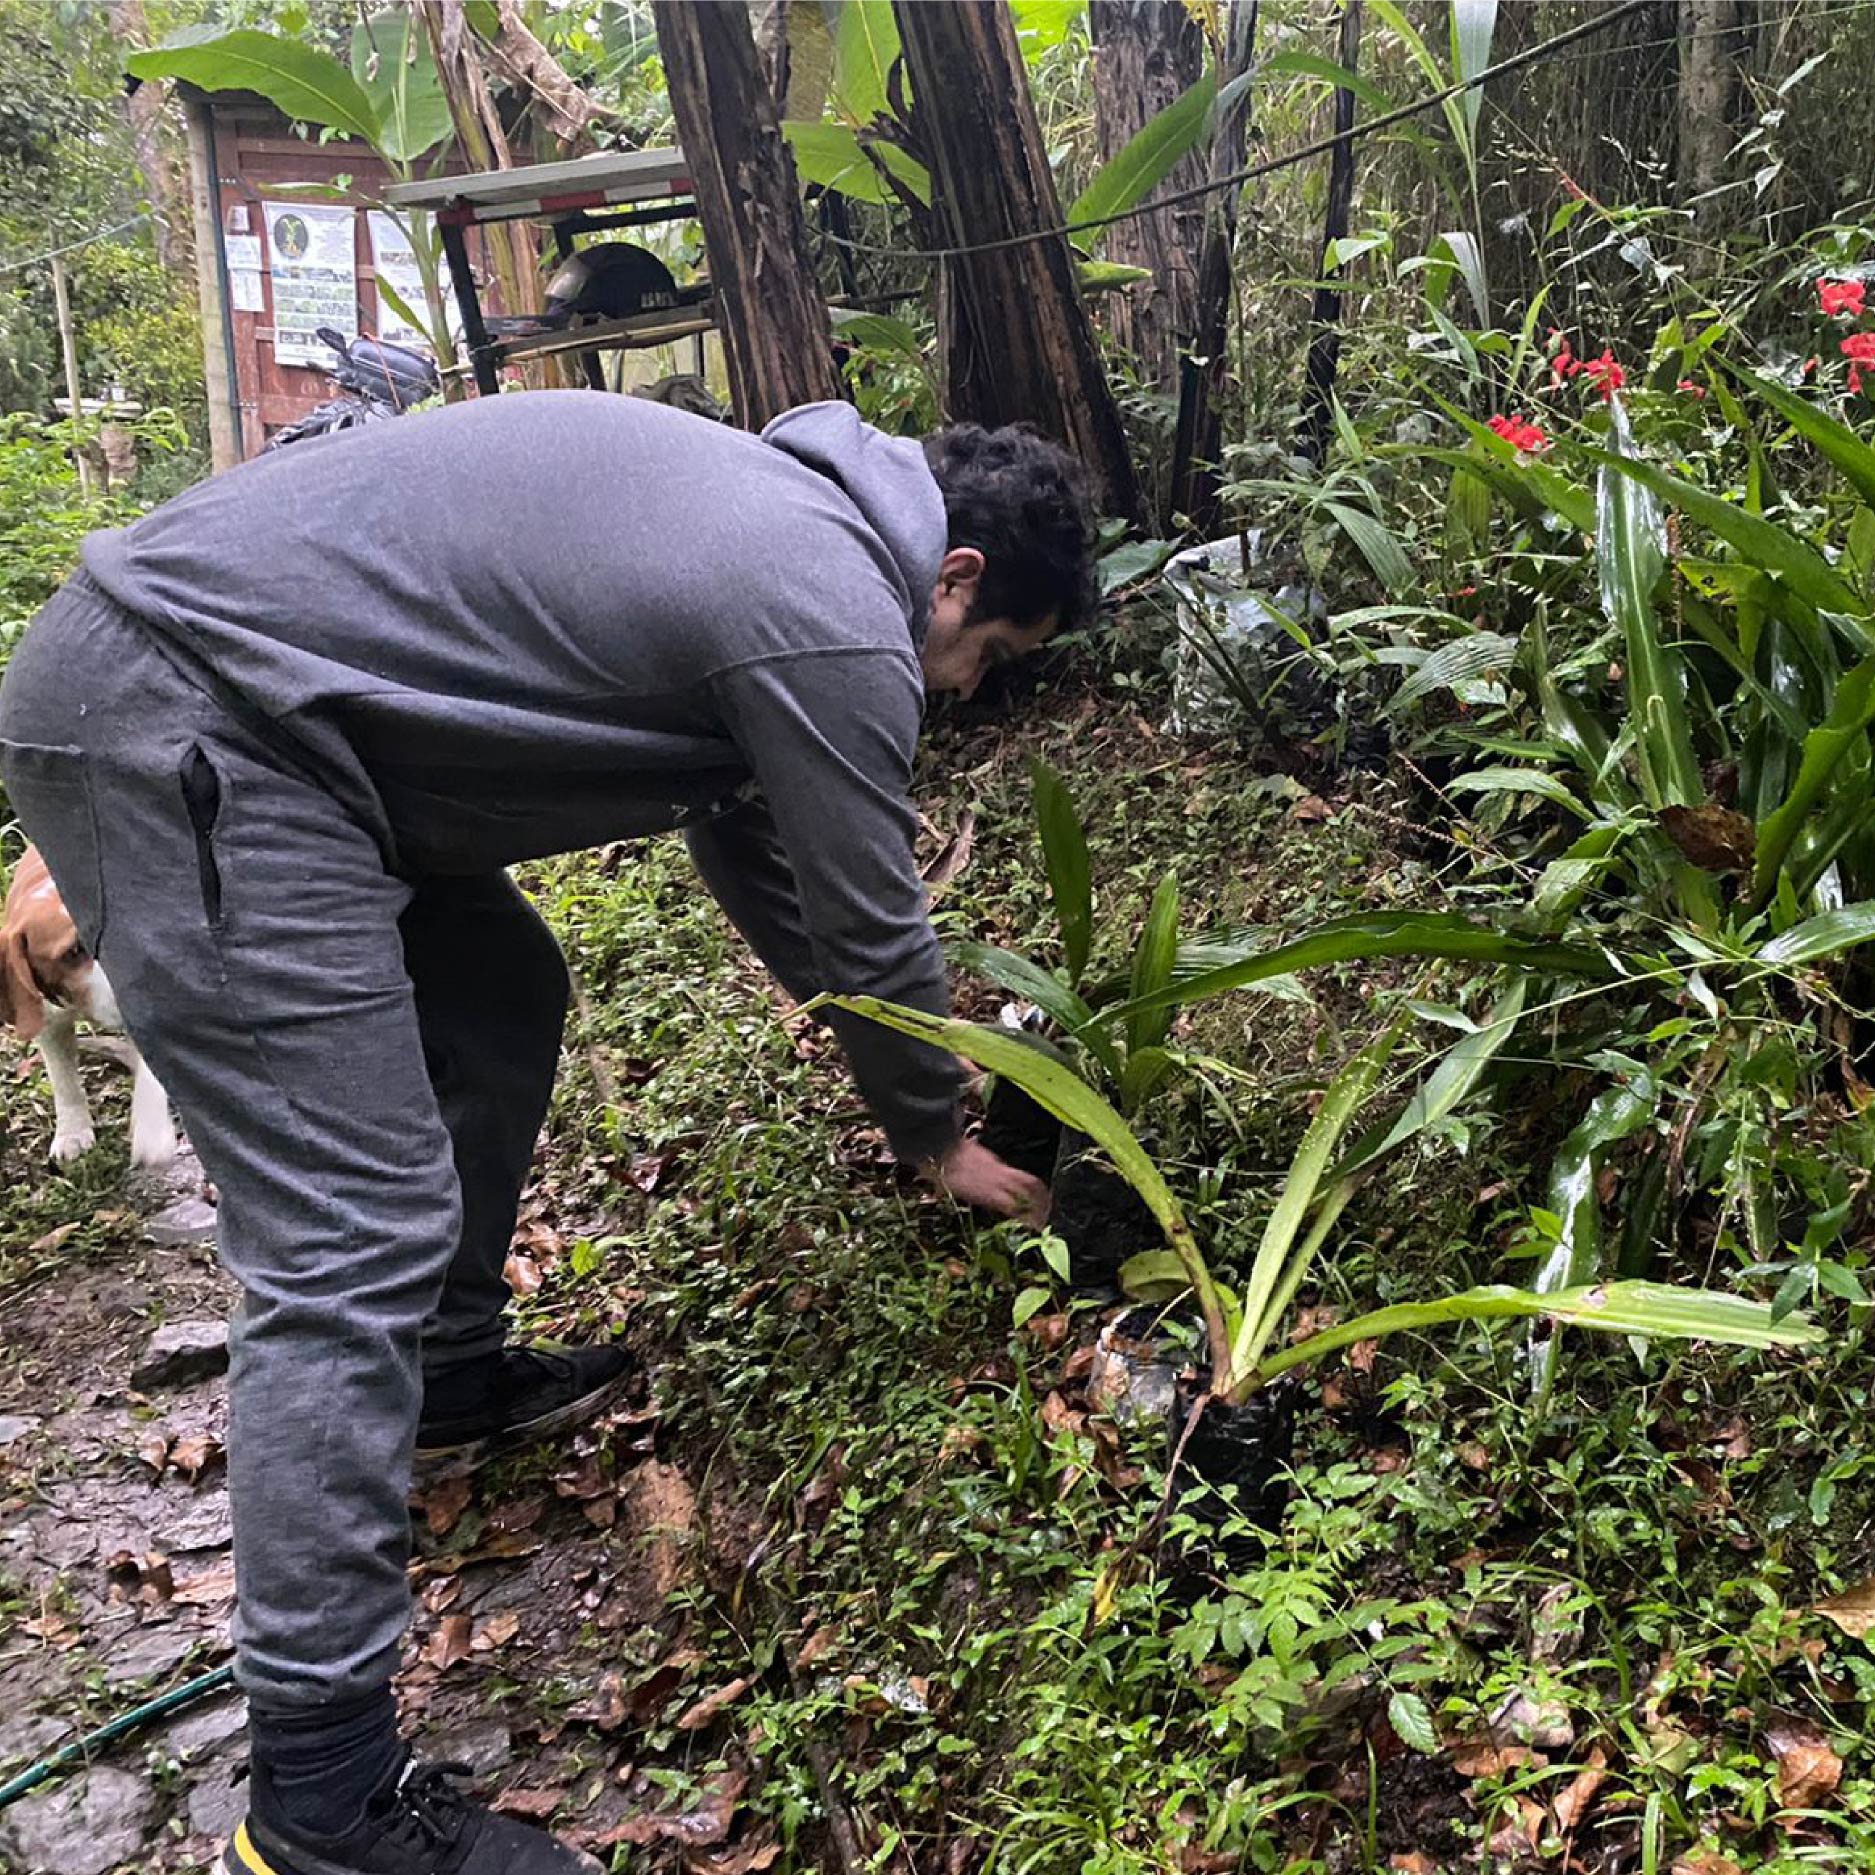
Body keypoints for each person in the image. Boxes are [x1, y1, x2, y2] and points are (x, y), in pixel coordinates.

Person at [0, 390, 1097, 1875]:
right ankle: (323, 1809)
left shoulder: (782, 530)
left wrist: (907, 1087)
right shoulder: (832, 597)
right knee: (346, 1231)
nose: (967, 690)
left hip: (287, 729)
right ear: (956, 574)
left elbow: (758, 847)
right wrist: (933, 1132)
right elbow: (867, 909)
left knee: (501, 989)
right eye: (990, 660)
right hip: (195, 717)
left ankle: (447, 1373)